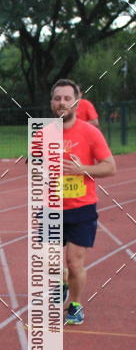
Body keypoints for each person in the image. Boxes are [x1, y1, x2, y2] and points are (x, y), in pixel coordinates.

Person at [49, 79, 116, 325]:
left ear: (77, 102)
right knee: (51, 263)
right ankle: (62, 284)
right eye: (58, 98)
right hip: (50, 208)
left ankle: (75, 306)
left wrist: (82, 169)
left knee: (74, 263)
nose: (62, 103)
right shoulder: (43, 134)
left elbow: (110, 168)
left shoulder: (90, 133)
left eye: (67, 98)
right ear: (51, 103)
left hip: (81, 209)